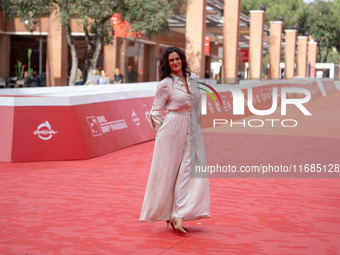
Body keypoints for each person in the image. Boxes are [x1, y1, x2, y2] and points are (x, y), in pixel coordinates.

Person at [139, 46, 210, 234]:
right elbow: (155, 112)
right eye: (171, 60)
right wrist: (161, 133)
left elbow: (197, 107)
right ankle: (171, 214)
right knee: (168, 174)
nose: (175, 63)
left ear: (182, 59)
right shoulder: (165, 84)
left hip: (192, 130)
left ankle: (179, 213)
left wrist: (198, 131)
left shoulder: (193, 79)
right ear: (167, 63)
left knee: (188, 172)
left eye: (177, 59)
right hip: (171, 131)